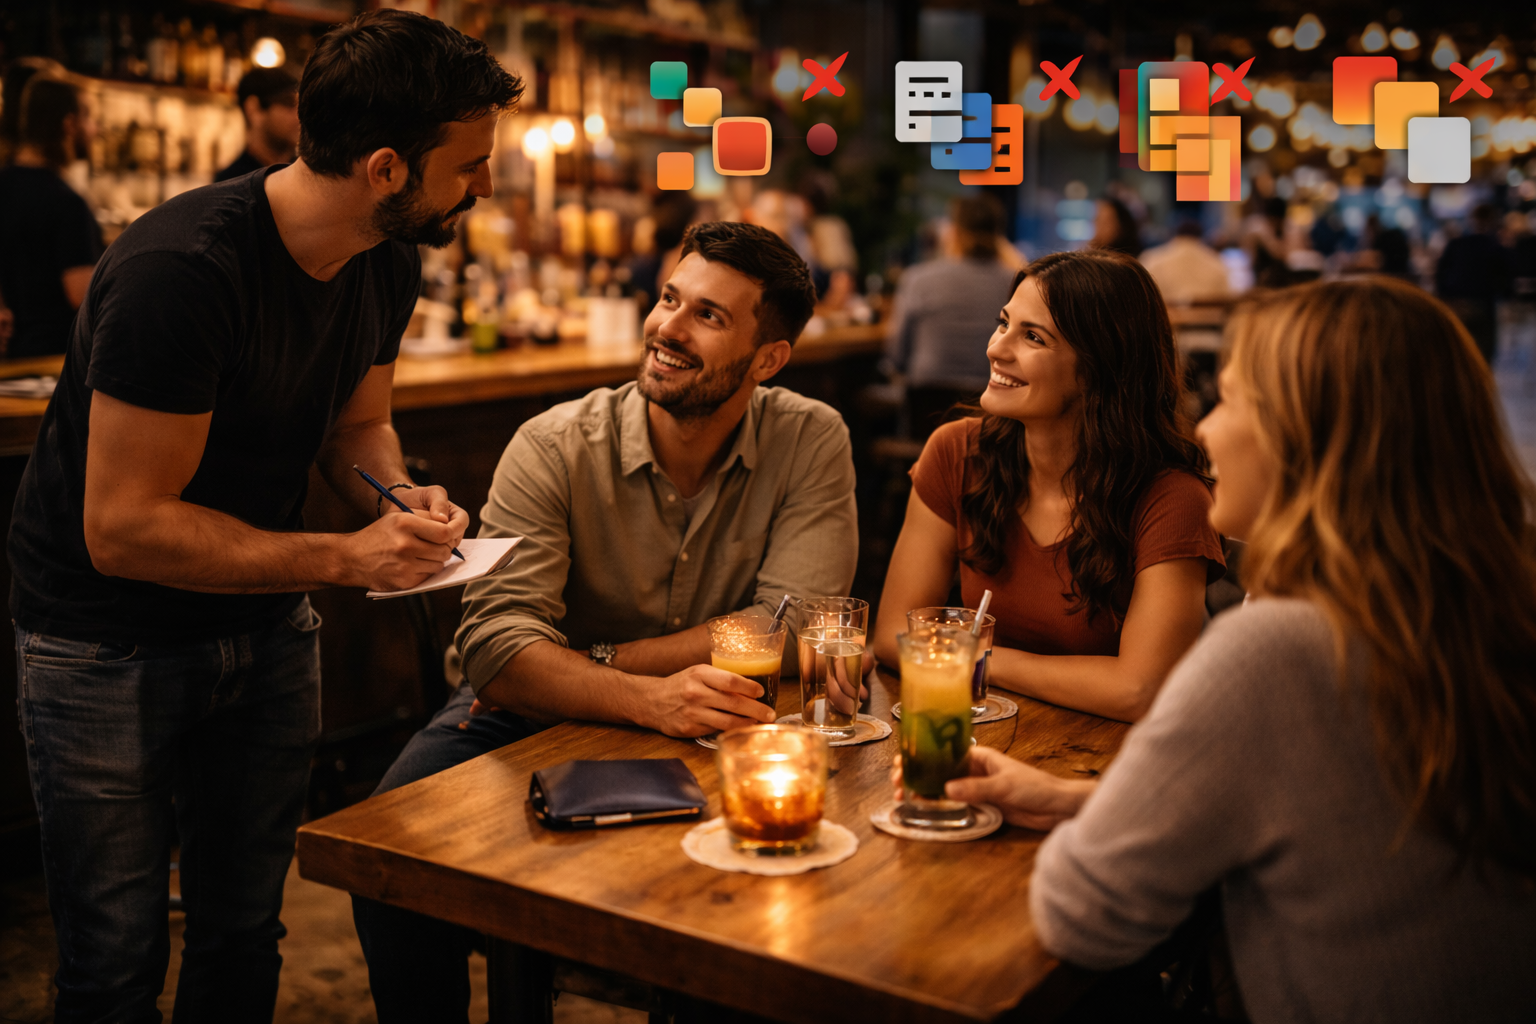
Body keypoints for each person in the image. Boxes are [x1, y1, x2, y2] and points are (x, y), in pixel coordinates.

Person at [7, 12, 520, 1021]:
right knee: (113, 963)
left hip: (265, 627)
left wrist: (396, 494)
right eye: (472, 165)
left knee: (245, 932)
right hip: (106, 643)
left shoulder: (388, 257)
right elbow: (126, 528)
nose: (487, 186)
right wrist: (345, 552)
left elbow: (359, 424)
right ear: (385, 167)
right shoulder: (183, 274)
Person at [942, 276, 1536, 1022]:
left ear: (1310, 436)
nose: (1206, 432)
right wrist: (1077, 801)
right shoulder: (1477, 612)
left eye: (1231, 400)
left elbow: (1078, 911)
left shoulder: (1278, 647)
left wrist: (1105, 822)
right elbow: (1336, 821)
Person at [351, 219, 858, 1020]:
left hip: (718, 717)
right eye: (668, 299)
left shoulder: (810, 437)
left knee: (741, 912)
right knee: (390, 867)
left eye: (708, 317)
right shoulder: (554, 445)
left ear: (769, 359)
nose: (667, 329)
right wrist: (646, 696)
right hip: (523, 713)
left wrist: (606, 660)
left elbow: (792, 626)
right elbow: (497, 649)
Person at [872, 250, 1225, 722]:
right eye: (1004, 324)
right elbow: (894, 635)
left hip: (1101, 767)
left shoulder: (1172, 498)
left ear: (1100, 370)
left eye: (1033, 337)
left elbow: (1141, 690)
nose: (996, 348)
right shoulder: (957, 451)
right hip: (981, 734)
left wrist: (976, 658)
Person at [884, 195, 1019, 430]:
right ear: (999, 236)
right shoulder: (1016, 285)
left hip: (926, 419)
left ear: (954, 231)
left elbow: (897, 356)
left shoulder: (919, 279)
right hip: (992, 422)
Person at [0, 74, 104, 357]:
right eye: (89, 117)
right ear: (69, 124)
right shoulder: (66, 202)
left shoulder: (5, 183)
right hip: (56, 358)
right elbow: (81, 294)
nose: (94, 129)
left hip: (14, 354)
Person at [1436, 203, 1511, 365]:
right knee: (1483, 359)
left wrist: (1445, 298)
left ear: (1471, 220)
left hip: (1455, 306)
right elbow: (1506, 280)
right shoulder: (1496, 247)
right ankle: (1479, 387)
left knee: (1456, 356)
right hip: (1482, 305)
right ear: (1492, 221)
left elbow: (1440, 274)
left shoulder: (1456, 244)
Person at [214, 67, 300, 182]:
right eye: (289, 103)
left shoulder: (310, 176)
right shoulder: (230, 183)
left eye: (300, 106)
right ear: (254, 109)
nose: (298, 116)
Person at [1138, 219, 1233, 305]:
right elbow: (1225, 295)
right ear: (1201, 236)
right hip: (1209, 320)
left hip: (1165, 317)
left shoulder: (1152, 258)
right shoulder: (1216, 260)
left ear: (1174, 234)